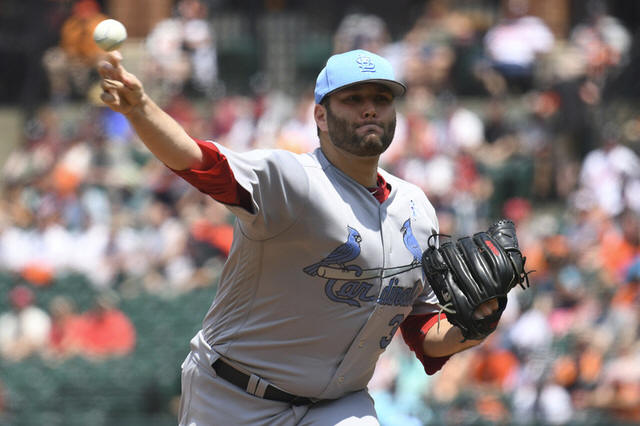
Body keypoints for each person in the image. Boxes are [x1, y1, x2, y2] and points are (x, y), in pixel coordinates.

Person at [97, 48, 501, 424]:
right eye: (353, 99)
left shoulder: (416, 208)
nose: (370, 109)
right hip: (233, 396)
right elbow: (201, 163)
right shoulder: (293, 180)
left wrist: (474, 326)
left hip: (338, 405)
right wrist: (141, 110)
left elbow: (423, 331)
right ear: (320, 116)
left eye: (381, 99)